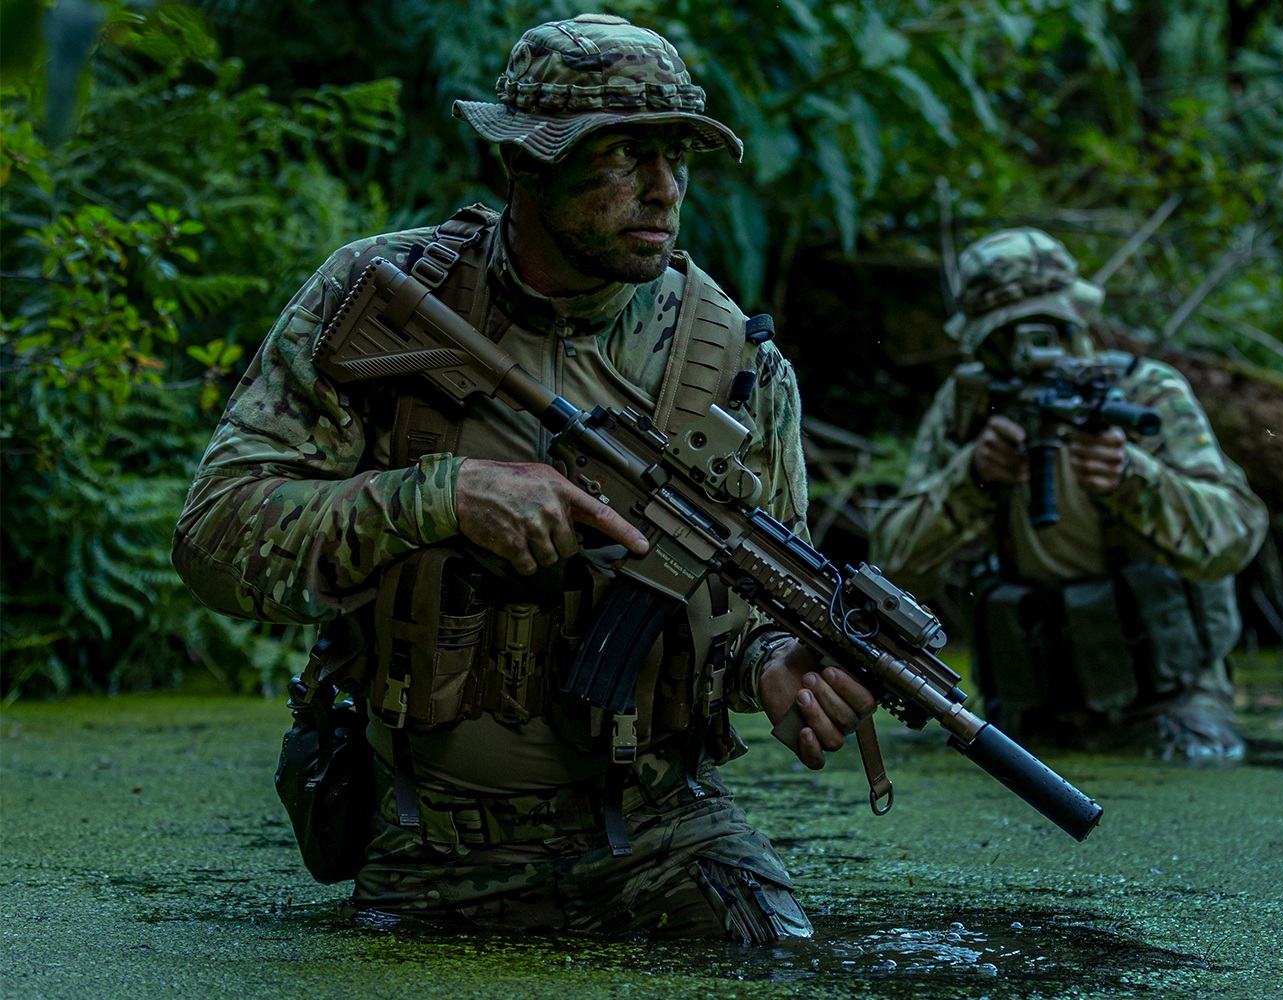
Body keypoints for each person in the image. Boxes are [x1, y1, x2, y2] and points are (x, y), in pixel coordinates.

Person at [172, 14, 875, 942]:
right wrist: (441, 496)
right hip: (432, 844)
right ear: (526, 164)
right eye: (625, 155)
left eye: (678, 155)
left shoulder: (737, 371)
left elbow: (744, 614)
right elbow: (214, 538)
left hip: (658, 832)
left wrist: (775, 666)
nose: (664, 189)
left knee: (788, 964)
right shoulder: (381, 300)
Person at [870, 228, 1268, 760]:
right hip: (1028, 704)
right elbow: (892, 564)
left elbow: (1235, 536)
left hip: (1166, 703)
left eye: (1047, 325)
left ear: (1077, 315)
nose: (1029, 346)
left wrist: (1135, 479)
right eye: (1004, 334)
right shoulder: (966, 406)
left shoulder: (1148, 392)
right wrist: (970, 480)